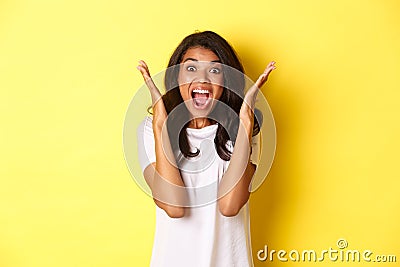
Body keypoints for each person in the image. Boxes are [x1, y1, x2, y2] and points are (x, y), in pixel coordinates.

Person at [136, 31, 276, 267]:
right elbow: (174, 206)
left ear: (226, 80)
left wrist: (244, 123)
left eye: (214, 70)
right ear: (176, 77)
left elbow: (230, 205)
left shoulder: (247, 129)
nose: (202, 79)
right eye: (191, 68)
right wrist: (161, 120)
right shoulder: (151, 129)